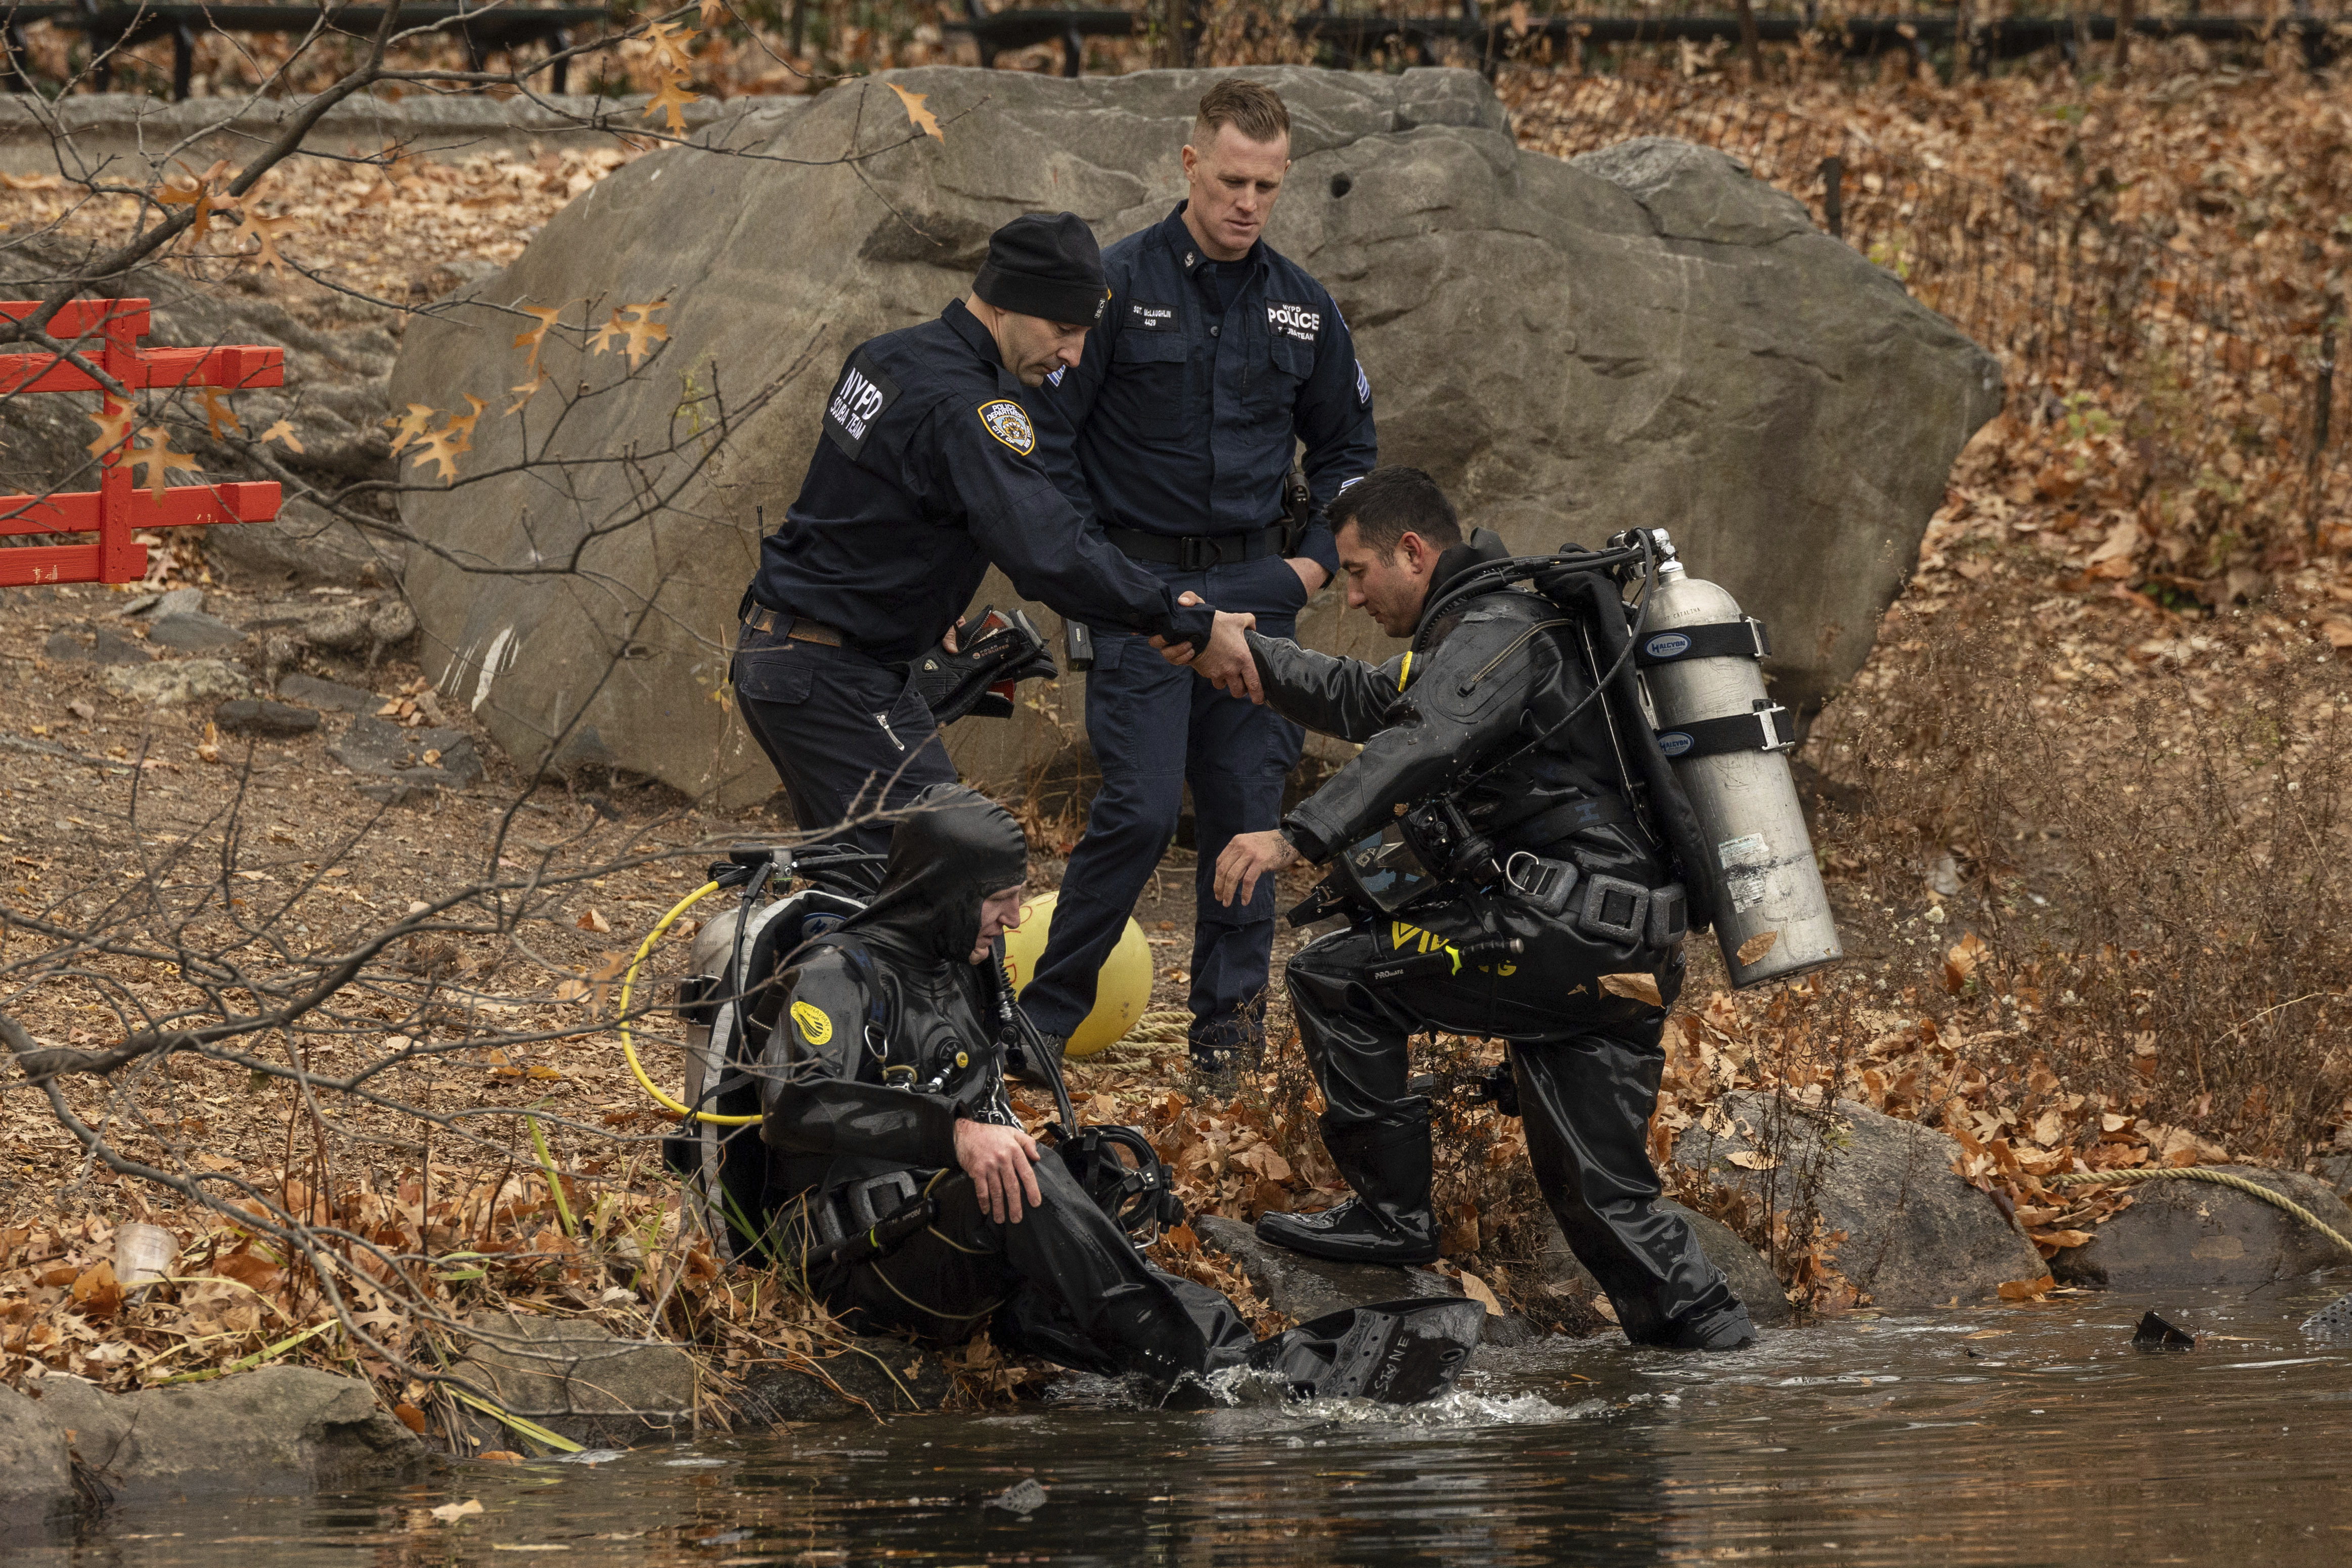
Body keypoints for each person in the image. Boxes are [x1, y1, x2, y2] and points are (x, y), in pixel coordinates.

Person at [1204, 468, 1757, 1352]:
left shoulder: (1499, 630)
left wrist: (1296, 837)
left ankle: (1389, 1216)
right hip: (1621, 946)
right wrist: (1245, 652)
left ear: (1413, 551)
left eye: (1356, 572)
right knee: (1603, 1201)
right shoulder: (1495, 630)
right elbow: (1372, 700)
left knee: (1336, 978)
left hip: (1569, 937)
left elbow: (1423, 739)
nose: (1350, 596)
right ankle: (1722, 1354)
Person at [755, 782, 1484, 1397]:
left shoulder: (961, 965)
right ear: (942, 893)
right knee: (1026, 1173)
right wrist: (952, 1133)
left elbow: (993, 1094)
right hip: (860, 1269)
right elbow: (795, 1104)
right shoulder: (838, 972)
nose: (1015, 920)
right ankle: (1224, 1369)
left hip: (948, 1243)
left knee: (1083, 1176)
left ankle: (1249, 1371)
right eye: (999, 901)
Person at [1019, 79, 1379, 1076]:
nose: (1248, 202)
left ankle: (1228, 1038)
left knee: (1246, 815)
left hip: (1259, 598)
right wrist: (1093, 572)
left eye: (1267, 184)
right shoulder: (1115, 287)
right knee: (1135, 811)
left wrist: (1307, 567)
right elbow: (1048, 444)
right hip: (1141, 598)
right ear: (1189, 166)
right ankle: (1042, 1024)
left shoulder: (1303, 309)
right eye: (1230, 179)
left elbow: (1350, 451)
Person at [732, 212, 1264, 859]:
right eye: (1063, 329)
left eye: (1084, 334)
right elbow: (1049, 550)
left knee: (862, 886)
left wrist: (927, 607)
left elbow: (867, 507)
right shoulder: (972, 407)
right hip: (831, 677)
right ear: (1008, 300)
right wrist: (1185, 623)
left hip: (789, 658)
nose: (1072, 354)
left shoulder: (889, 355)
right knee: (954, 863)